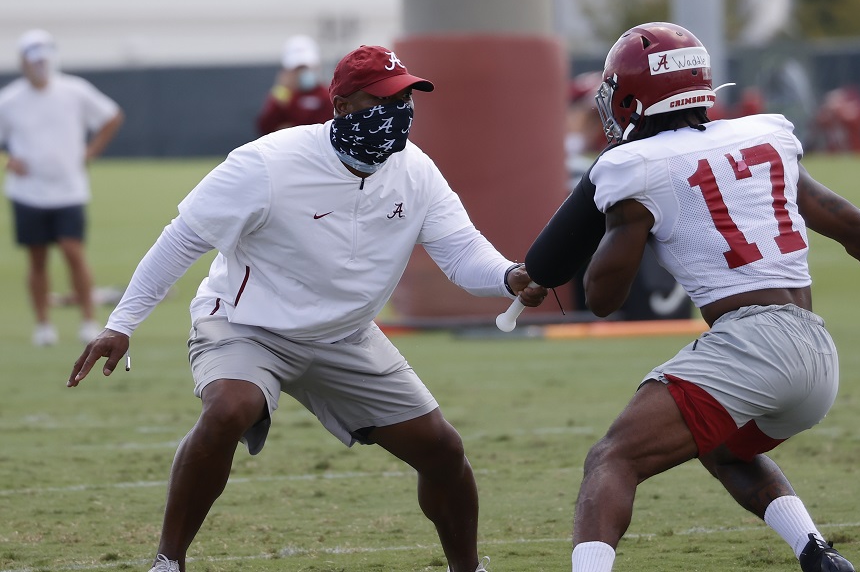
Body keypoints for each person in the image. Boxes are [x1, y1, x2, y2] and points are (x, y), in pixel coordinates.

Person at [67, 44, 547, 572]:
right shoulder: (266, 163)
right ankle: (167, 561)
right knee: (229, 408)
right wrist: (121, 323)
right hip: (248, 324)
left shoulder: (417, 171)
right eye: (382, 99)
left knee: (442, 451)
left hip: (346, 334)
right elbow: (182, 239)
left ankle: (468, 569)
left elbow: (460, 252)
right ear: (341, 107)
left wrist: (508, 276)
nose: (398, 111)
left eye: (405, 97)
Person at [563, 23, 860, 572]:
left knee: (612, 457)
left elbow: (601, 298)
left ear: (631, 96)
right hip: (816, 355)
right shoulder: (763, 137)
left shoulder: (636, 166)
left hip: (750, 345)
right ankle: (817, 554)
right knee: (723, 447)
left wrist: (622, 219)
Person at [0, 29, 124, 346]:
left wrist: (91, 151)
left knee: (73, 252)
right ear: (23, 63)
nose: (40, 67)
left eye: (44, 60)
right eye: (34, 62)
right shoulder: (11, 100)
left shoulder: (75, 90)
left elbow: (111, 116)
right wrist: (7, 161)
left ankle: (87, 320)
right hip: (28, 191)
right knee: (37, 258)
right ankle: (43, 325)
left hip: (69, 189)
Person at [255, 35, 332, 136]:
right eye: (297, 69)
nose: (301, 73)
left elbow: (323, 127)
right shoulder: (282, 94)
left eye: (305, 68)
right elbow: (266, 127)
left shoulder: (326, 95)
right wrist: (282, 93)